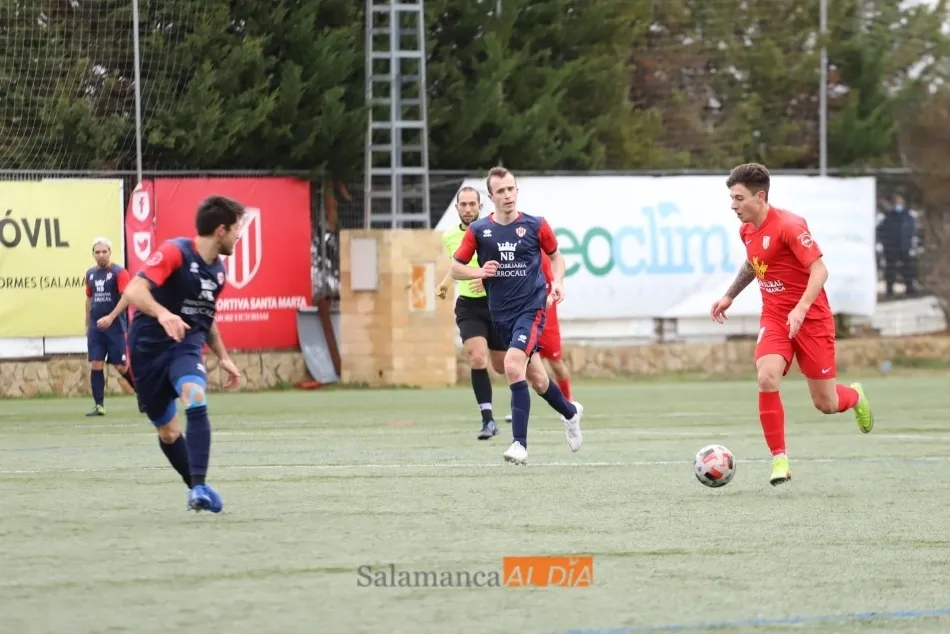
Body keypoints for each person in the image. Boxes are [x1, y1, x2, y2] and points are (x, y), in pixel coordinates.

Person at [710, 163, 874, 486]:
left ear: (760, 196)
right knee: (766, 377)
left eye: (739, 198)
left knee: (825, 403)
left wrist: (801, 307)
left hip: (811, 320)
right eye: (731, 198)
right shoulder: (746, 231)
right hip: (774, 318)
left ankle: (854, 397)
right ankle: (780, 460)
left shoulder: (789, 225)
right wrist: (729, 295)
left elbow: (820, 271)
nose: (733, 205)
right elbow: (754, 264)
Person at [452, 166, 583, 465]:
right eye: (501, 191)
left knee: (512, 365)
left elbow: (556, 257)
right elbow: (455, 268)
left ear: (516, 191)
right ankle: (571, 413)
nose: (508, 195)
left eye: (511, 189)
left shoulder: (536, 225)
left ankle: (519, 445)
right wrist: (478, 271)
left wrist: (559, 282)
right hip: (501, 316)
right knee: (537, 379)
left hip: (532, 310)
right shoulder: (480, 231)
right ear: (491, 196)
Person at [123, 196, 244, 513]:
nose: (238, 236)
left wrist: (223, 356)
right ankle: (196, 488)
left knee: (195, 394)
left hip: (186, 345)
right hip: (147, 349)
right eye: (236, 229)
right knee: (168, 431)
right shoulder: (175, 250)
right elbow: (134, 290)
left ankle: (200, 486)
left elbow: (207, 316)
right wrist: (163, 314)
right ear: (220, 230)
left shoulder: (218, 273)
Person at [437, 186, 506, 440]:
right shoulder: (449, 236)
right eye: (463, 205)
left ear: (480, 206)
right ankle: (488, 420)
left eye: (471, 205)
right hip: (469, 306)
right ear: (457, 208)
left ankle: (519, 402)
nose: (467, 209)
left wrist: (486, 279)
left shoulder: (496, 230)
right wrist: (446, 282)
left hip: (498, 304)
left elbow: (508, 264)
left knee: (501, 366)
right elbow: (458, 266)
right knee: (477, 358)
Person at [505, 250, 575, 422]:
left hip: (547, 320)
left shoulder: (544, 256)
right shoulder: (515, 252)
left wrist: (550, 297)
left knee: (556, 364)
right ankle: (517, 409)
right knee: (522, 365)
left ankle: (568, 402)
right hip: (526, 320)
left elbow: (553, 280)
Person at [84, 238, 136, 416]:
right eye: (97, 252)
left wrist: (111, 317)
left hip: (115, 327)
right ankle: (99, 406)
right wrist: (87, 324)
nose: (101, 255)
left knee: (121, 366)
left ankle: (144, 395)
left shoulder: (119, 273)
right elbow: (89, 299)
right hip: (96, 328)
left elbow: (126, 298)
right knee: (96, 364)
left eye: (104, 251)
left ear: (110, 252)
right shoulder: (90, 274)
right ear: (93, 254)